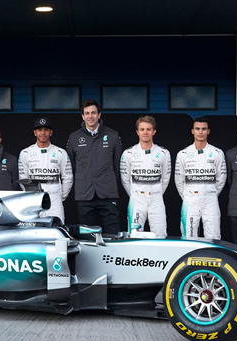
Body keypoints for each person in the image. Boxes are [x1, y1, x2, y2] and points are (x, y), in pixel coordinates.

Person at [66, 99, 123, 234]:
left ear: (99, 115)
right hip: (84, 194)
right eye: (87, 113)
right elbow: (70, 165)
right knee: (86, 236)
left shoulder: (113, 135)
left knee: (113, 234)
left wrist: (107, 180)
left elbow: (117, 165)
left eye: (93, 113)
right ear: (82, 116)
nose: (90, 116)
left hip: (108, 193)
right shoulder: (74, 138)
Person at [174, 117, 227, 240]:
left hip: (210, 200)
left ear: (208, 131)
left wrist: (210, 193)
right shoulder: (183, 154)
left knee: (213, 235)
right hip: (190, 201)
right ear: (192, 131)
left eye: (204, 129)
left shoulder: (217, 153)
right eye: (197, 129)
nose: (200, 132)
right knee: (189, 236)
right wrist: (188, 196)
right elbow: (179, 179)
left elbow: (221, 178)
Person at [120, 116, 171, 237]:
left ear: (154, 131)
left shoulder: (163, 153)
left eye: (148, 129)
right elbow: (125, 179)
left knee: (160, 234)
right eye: (142, 129)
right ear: (137, 132)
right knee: (134, 235)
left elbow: (165, 178)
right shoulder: (128, 153)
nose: (145, 132)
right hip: (136, 200)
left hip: (156, 199)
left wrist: (156, 192)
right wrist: (135, 194)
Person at [18, 117, 73, 223]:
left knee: (57, 231)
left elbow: (68, 177)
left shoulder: (60, 152)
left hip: (54, 199)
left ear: (51, 132)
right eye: (39, 130)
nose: (43, 133)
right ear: (35, 132)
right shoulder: (25, 153)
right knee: (33, 232)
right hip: (34, 199)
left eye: (46, 130)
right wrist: (31, 195)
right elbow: (23, 178)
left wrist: (60, 197)